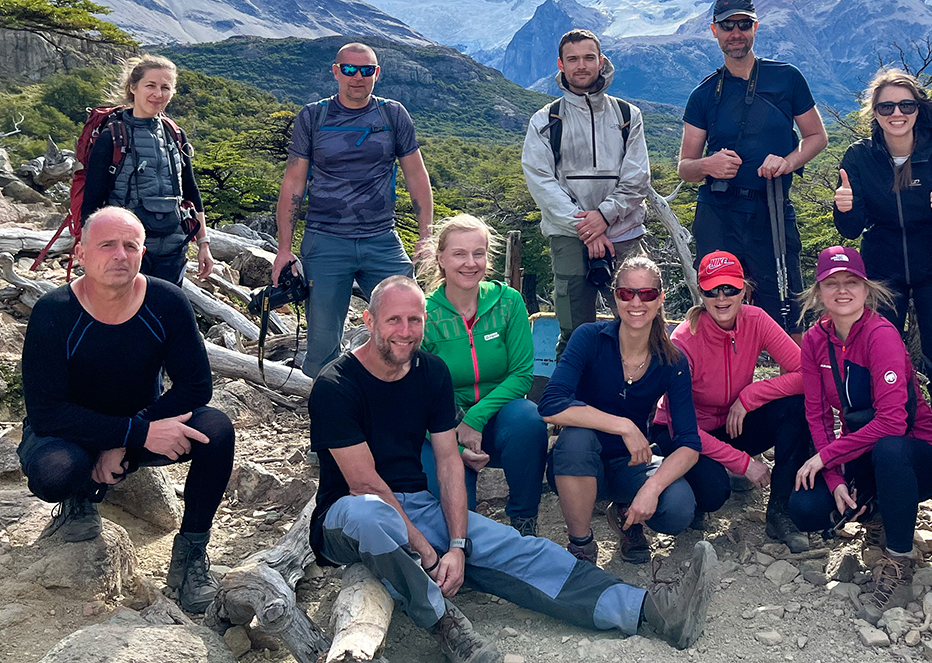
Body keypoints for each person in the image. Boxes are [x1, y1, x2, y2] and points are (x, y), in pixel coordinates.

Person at [309, 275, 718, 662]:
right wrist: (430, 557)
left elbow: (449, 462)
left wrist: (456, 545)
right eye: (393, 320)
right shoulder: (336, 385)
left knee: (521, 548)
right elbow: (365, 484)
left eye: (414, 320)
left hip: (416, 505)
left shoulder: (429, 372)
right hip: (347, 514)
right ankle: (446, 625)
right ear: (369, 320)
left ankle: (649, 610)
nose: (405, 330)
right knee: (372, 513)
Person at [18, 207, 235, 612]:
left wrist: (131, 437)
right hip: (70, 433)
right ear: (80, 254)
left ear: (142, 253)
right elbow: (47, 412)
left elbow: (196, 386)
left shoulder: (166, 301)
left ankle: (191, 556)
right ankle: (78, 499)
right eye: (107, 245)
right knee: (58, 470)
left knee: (215, 429)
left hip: (141, 426)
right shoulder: (55, 310)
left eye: (130, 245)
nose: (120, 254)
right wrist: (130, 435)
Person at [833, 68, 932, 531]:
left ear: (919, 109)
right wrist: (845, 208)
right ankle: (878, 462)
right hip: (883, 269)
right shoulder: (859, 157)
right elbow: (852, 230)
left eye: (906, 106)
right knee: (880, 367)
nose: (897, 114)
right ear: (874, 114)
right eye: (886, 107)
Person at [789, 247, 932, 610]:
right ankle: (876, 515)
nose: (842, 291)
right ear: (818, 291)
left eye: (851, 282)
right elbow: (817, 415)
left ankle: (899, 561)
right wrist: (833, 477)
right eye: (832, 283)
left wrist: (825, 457)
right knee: (806, 507)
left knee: (890, 447)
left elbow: (893, 421)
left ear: (866, 288)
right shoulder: (815, 340)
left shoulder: (881, 334)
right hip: (861, 451)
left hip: (916, 458)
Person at [272, 42, 434, 377]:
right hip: (325, 240)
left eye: (366, 70)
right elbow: (293, 184)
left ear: (377, 73)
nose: (357, 77)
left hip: (381, 238)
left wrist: (425, 236)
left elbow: (416, 176)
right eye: (349, 69)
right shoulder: (313, 116)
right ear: (336, 71)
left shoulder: (392, 114)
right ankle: (332, 417)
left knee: (408, 325)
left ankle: (399, 409)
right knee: (321, 345)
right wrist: (284, 249)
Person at [678, 0, 828, 330]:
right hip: (718, 212)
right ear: (714, 30)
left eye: (743, 24)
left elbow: (817, 136)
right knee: (718, 306)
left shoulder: (787, 78)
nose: (736, 33)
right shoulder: (703, 94)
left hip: (771, 209)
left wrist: (788, 162)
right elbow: (685, 166)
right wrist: (707, 165)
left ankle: (795, 384)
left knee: (787, 310)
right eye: (727, 25)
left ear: (755, 28)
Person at [540, 256, 701, 565]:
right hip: (578, 464)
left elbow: (689, 444)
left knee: (678, 507)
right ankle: (581, 545)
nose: (636, 302)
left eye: (647, 294)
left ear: (660, 299)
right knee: (576, 439)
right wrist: (624, 426)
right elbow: (551, 404)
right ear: (615, 297)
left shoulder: (673, 361)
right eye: (627, 293)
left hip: (631, 464)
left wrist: (652, 487)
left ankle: (627, 513)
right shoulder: (589, 338)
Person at [651, 251, 811, 551]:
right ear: (701, 293)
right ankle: (680, 479)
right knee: (714, 493)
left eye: (730, 289)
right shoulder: (684, 341)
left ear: (744, 290)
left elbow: (807, 374)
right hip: (684, 433)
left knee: (796, 409)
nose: (721, 298)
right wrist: (744, 464)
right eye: (712, 290)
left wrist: (752, 395)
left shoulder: (757, 320)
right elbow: (683, 426)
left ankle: (780, 510)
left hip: (731, 423)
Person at [522, 28, 651, 356]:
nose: (581, 65)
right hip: (569, 235)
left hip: (624, 232)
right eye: (573, 59)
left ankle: (639, 403)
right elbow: (541, 181)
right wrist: (588, 228)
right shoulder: (545, 120)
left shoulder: (627, 116)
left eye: (588, 58)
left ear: (601, 61)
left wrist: (604, 217)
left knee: (639, 325)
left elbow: (637, 178)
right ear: (561, 64)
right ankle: (570, 403)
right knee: (574, 331)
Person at [417, 214, 546, 537]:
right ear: (441, 259)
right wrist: (457, 447)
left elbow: (521, 374)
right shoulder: (424, 314)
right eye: (459, 254)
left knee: (529, 420)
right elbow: (417, 397)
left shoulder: (508, 302)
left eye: (479, 253)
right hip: (441, 426)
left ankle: (524, 522)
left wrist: (475, 418)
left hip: (500, 417)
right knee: (455, 526)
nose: (470, 263)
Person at [80, 55, 213, 285]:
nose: (158, 94)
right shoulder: (112, 137)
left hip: (173, 249)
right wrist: (88, 249)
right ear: (133, 87)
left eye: (165, 87)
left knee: (163, 316)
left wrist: (203, 245)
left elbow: (191, 193)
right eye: (150, 85)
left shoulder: (176, 135)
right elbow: (92, 200)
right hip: (126, 253)